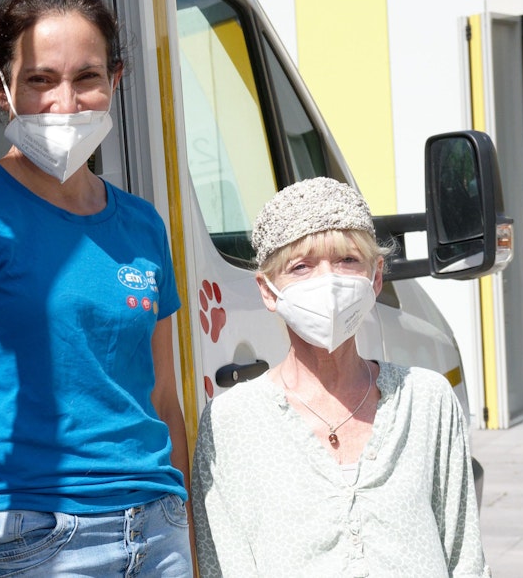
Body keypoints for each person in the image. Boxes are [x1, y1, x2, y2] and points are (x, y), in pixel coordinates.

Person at [0, 0, 191, 578]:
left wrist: (188, 530)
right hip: (38, 537)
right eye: (39, 80)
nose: (65, 102)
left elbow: (163, 397)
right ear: (1, 87)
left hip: (159, 530)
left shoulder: (141, 223)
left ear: (115, 79)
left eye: (86, 77)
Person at [191, 178, 488, 577]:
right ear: (267, 291)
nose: (328, 282)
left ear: (376, 276)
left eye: (348, 260)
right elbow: (223, 563)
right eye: (301, 266)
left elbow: (465, 556)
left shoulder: (427, 399)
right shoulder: (231, 421)